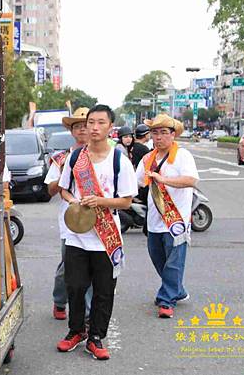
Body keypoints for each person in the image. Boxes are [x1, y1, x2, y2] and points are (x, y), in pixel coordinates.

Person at [57, 104, 137, 360]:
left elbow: (126, 201)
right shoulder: (75, 158)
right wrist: (74, 203)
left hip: (107, 236)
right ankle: (76, 331)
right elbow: (64, 190)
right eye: (91, 122)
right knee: (75, 286)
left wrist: (100, 202)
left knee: (104, 290)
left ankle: (97, 337)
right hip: (77, 236)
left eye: (100, 122)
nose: (94, 127)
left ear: (110, 127)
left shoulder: (119, 161)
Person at [136, 114, 199, 319]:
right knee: (158, 258)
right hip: (154, 220)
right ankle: (177, 289)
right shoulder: (148, 158)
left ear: (173, 135)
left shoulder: (183, 155)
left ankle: (166, 299)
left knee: (173, 261)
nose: (159, 137)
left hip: (176, 221)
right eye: (155, 132)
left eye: (164, 132)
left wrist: (163, 179)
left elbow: (190, 180)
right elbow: (136, 182)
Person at [43, 107, 92, 321]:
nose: (82, 130)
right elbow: (50, 190)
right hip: (70, 221)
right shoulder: (61, 158)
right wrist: (64, 172)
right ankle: (59, 299)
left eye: (86, 125)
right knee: (68, 266)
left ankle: (88, 315)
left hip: (96, 220)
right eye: (77, 127)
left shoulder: (103, 156)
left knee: (91, 268)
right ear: (72, 131)